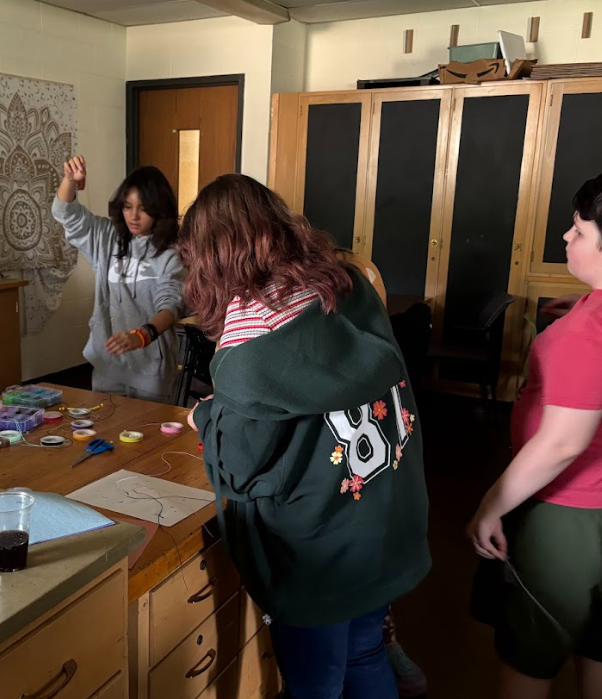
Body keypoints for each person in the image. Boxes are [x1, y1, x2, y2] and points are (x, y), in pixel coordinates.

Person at [183, 174, 430, 699]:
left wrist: (207, 418)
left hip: (320, 552)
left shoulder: (250, 349)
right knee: (365, 653)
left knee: (316, 682)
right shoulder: (349, 286)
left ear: (209, 260)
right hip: (382, 522)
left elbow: (237, 468)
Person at [468, 170, 602, 699]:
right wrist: (587, 309)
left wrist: (492, 504)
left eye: (578, 230)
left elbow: (562, 444)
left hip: (576, 520)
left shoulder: (588, 334)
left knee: (529, 660)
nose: (567, 239)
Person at [52, 156, 184, 403]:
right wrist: (70, 180)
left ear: (159, 209)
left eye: (143, 208)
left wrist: (141, 335)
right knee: (105, 433)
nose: (133, 216)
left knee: (149, 439)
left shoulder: (171, 253)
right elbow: (65, 213)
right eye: (127, 206)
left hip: (151, 370)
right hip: (107, 365)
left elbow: (171, 305)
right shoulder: (107, 238)